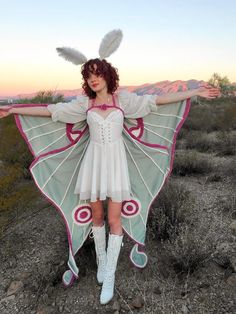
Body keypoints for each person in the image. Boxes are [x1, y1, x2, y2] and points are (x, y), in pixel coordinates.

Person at [0, 30, 220, 305]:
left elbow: (156, 102)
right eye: (89, 74)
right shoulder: (84, 104)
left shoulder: (123, 100)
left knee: (114, 219)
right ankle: (102, 265)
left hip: (116, 165)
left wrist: (196, 91)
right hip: (92, 164)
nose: (93, 78)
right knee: (96, 216)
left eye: (97, 73)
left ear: (107, 74)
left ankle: (111, 276)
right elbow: (51, 110)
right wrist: (15, 110)